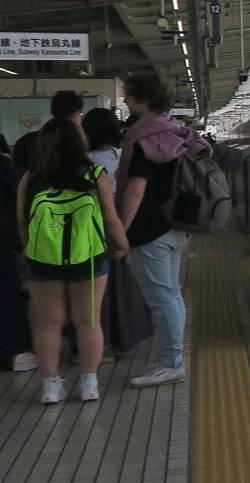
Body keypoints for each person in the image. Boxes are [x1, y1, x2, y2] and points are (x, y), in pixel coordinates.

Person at [17, 118, 130, 403]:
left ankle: (50, 387)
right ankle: (89, 384)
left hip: (42, 260)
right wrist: (122, 245)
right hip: (88, 257)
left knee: (48, 324)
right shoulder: (95, 174)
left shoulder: (31, 177)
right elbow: (110, 217)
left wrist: (32, 250)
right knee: (88, 322)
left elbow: (22, 221)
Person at [117, 74, 210, 388]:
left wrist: (120, 231)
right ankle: (166, 359)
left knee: (162, 299)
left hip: (148, 229)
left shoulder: (144, 137)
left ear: (144, 98)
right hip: (175, 225)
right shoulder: (174, 131)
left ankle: (171, 363)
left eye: (129, 95)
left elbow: (136, 189)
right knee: (170, 295)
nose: (125, 100)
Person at [82, 108, 152, 356]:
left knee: (96, 293)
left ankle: (101, 344)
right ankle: (127, 337)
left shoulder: (85, 162)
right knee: (126, 287)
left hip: (92, 232)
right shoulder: (125, 157)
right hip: (126, 225)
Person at [0, 134, 34, 371]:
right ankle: (18, 353)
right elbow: (18, 207)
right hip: (3, 243)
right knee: (9, 295)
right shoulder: (5, 167)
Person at [13, 90, 84, 178]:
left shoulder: (26, 141)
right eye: (80, 114)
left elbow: (18, 174)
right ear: (75, 114)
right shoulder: (79, 142)